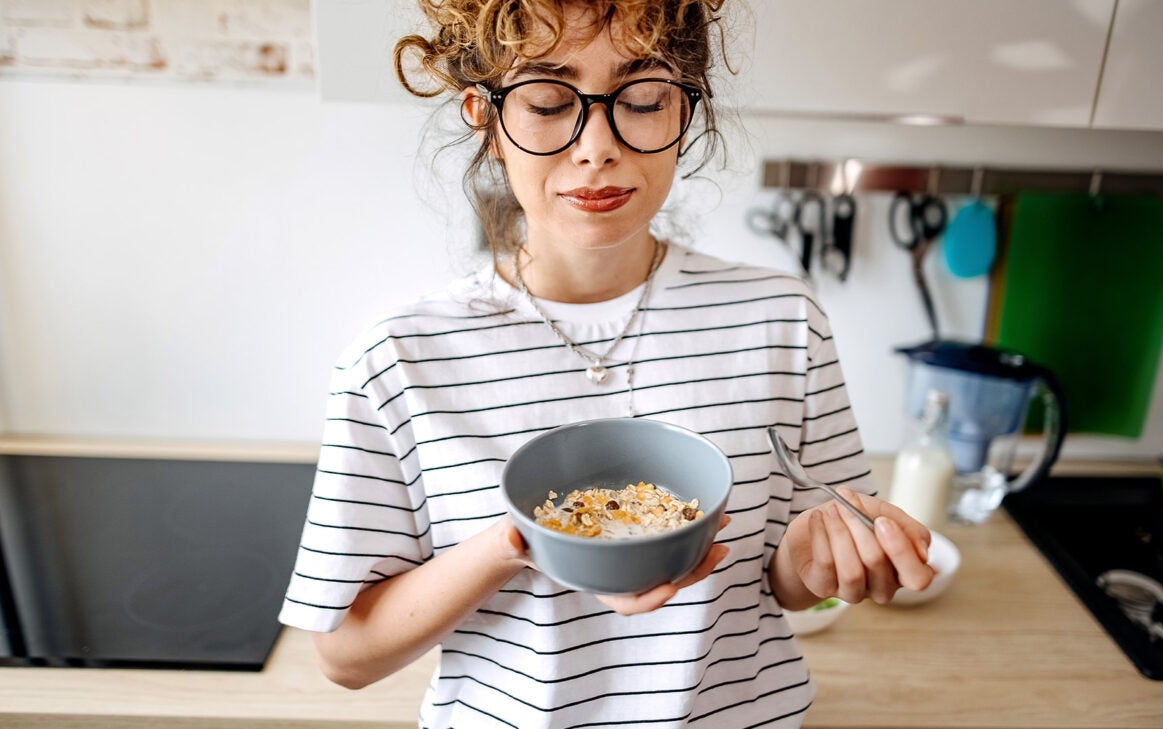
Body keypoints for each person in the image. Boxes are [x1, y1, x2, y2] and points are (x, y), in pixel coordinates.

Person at [278, 1, 935, 726]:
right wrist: (520, 542)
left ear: (686, 111)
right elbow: (346, 653)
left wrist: (816, 565)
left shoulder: (782, 320)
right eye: (549, 102)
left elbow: (788, 582)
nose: (596, 147)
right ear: (487, 119)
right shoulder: (396, 359)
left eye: (644, 99)